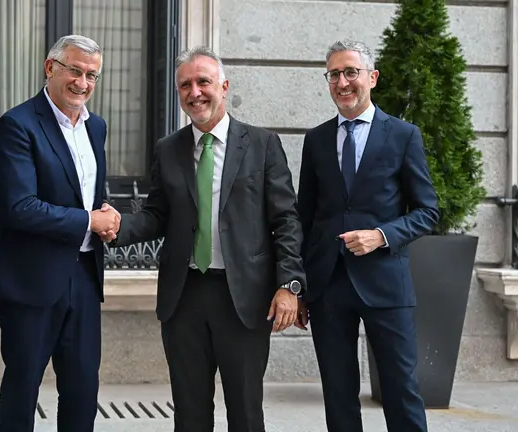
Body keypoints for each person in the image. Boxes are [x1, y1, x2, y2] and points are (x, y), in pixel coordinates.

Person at [106, 46, 306, 432]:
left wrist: (289, 284)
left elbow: (287, 220)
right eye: (185, 85)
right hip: (184, 299)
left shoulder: (263, 145)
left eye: (203, 82)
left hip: (244, 299)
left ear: (224, 86)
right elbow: (157, 216)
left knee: (246, 413)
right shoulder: (168, 149)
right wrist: (116, 227)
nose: (194, 92)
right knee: (190, 413)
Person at [296, 39, 440, 432]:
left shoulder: (403, 135)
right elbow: (303, 217)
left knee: (401, 391)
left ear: (371, 78)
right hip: (328, 286)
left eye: (350, 72)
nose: (342, 82)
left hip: (386, 284)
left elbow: (428, 211)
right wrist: (299, 286)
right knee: (338, 396)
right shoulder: (317, 139)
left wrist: (382, 234)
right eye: (334, 75)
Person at [0, 34, 119, 431]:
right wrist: (90, 221)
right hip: (30, 279)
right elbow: (21, 208)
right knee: (23, 388)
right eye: (75, 70)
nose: (83, 83)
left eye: (92, 75)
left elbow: (87, 192)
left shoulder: (97, 128)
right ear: (50, 67)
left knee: (82, 389)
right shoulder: (17, 124)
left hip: (85, 276)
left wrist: (104, 218)